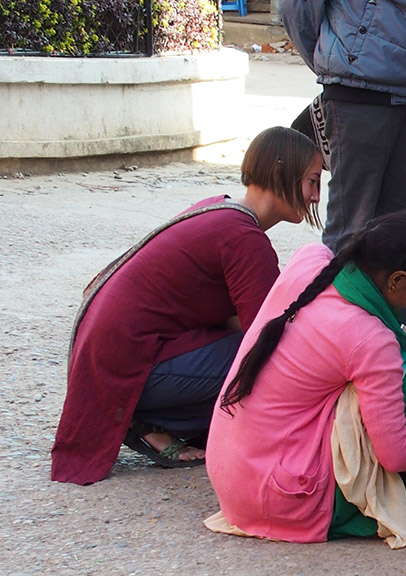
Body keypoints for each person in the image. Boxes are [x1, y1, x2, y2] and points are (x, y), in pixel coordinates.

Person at [51, 127, 324, 485]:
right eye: (312, 182)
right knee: (276, 361)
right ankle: (143, 416)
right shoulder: (243, 237)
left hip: (110, 358)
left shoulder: (218, 207)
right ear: (278, 173)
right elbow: (268, 332)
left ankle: (148, 413)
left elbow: (238, 317)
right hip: (122, 369)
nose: (317, 196)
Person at [205, 211, 406, 544]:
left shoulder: (312, 261)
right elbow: (396, 455)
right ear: (396, 280)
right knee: (405, 368)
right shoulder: (371, 341)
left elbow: (335, 338)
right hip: (283, 499)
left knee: (391, 355)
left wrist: (400, 333)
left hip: (233, 476)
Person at [279, 0, 406, 254]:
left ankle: (379, 295)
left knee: (401, 226)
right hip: (360, 89)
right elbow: (296, 8)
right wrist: (342, 58)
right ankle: (335, 293)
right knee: (351, 225)